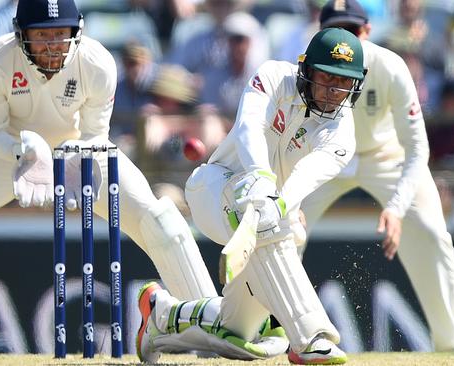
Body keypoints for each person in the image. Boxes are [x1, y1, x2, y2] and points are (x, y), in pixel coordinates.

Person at [0, 0, 217, 359]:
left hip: (77, 150)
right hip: (4, 151)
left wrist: (74, 155)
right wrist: (24, 151)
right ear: (21, 36)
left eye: (60, 35)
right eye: (42, 35)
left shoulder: (97, 63)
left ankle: (212, 328)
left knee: (158, 221)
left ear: (76, 32)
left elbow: (97, 135)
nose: (52, 45)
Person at [136, 27, 366, 365]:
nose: (334, 92)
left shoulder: (342, 131)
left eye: (344, 83)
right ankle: (311, 337)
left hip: (270, 217)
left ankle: (160, 315)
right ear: (307, 70)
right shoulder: (273, 75)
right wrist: (260, 177)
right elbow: (249, 127)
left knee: (237, 334)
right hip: (213, 188)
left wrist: (280, 202)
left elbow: (307, 175)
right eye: (326, 78)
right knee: (250, 198)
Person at [300, 0, 454, 354]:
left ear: (367, 32)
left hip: (384, 155)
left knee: (430, 231)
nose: (344, 45)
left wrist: (397, 207)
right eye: (335, 34)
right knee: (279, 229)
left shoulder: (390, 67)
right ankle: (259, 332)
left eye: (352, 33)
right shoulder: (305, 70)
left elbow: (417, 148)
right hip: (323, 157)